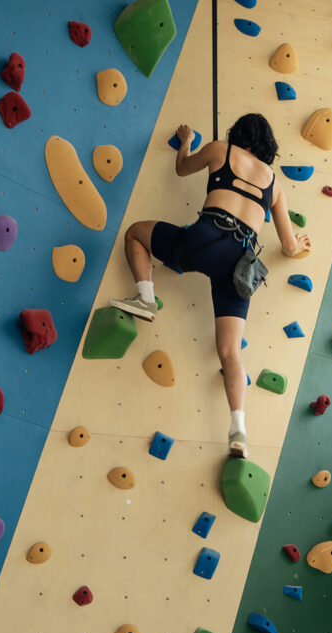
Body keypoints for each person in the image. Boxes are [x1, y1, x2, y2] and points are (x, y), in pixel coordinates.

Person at [110, 113, 312, 459]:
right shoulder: (275, 185)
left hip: (203, 241)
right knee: (230, 353)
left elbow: (182, 168)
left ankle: (146, 299)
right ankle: (238, 431)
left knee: (135, 234)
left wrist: (187, 142)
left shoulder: (220, 149)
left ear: (238, 135)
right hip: (237, 264)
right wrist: (300, 246)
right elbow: (288, 246)